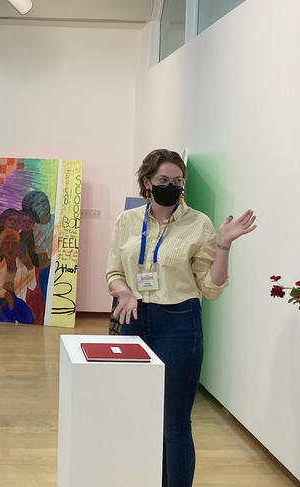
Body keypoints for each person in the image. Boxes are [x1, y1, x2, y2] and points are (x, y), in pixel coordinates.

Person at [106, 149, 256, 487]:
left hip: (178, 322)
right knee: (141, 416)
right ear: (147, 181)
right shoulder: (126, 221)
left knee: (174, 422)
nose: (171, 187)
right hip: (133, 320)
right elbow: (113, 271)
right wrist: (125, 292)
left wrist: (224, 247)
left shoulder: (198, 223)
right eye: (163, 181)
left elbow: (211, 288)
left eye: (177, 182)